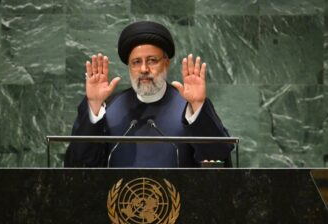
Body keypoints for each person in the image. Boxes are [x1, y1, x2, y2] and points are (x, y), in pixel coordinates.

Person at [64, 21, 234, 168]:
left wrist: (198, 106)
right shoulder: (109, 108)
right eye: (136, 62)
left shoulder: (189, 105)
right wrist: (93, 104)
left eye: (152, 60)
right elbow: (81, 163)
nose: (144, 69)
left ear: (166, 63)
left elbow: (218, 159)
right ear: (130, 67)